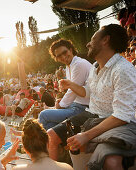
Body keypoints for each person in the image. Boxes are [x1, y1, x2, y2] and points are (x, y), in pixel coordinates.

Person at [48, 24, 136, 170]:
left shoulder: (123, 70)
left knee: (111, 162)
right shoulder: (95, 67)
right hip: (92, 115)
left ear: (105, 40)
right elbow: (88, 92)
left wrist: (86, 135)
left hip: (114, 121)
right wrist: (70, 84)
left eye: (92, 39)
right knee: (51, 135)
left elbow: (122, 115)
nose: (88, 43)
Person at [39, 39, 92, 130]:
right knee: (50, 122)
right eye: (59, 56)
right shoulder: (70, 65)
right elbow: (72, 89)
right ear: (56, 58)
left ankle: (44, 141)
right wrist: (62, 102)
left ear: (71, 50)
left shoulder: (79, 64)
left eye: (65, 52)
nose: (63, 57)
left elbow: (73, 92)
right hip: (76, 105)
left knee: (43, 115)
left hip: (83, 108)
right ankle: (53, 141)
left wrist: (61, 105)